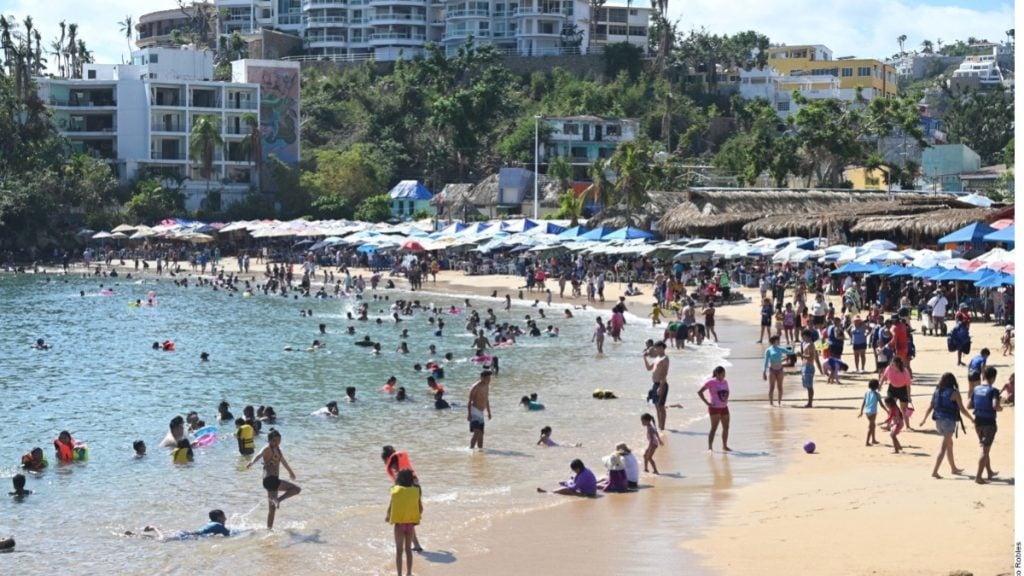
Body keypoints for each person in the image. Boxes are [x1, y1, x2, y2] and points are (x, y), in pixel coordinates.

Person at [918, 373, 974, 479]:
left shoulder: (937, 391)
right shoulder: (954, 393)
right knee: (943, 447)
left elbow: (930, 407)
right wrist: (971, 419)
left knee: (949, 444)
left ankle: (953, 468)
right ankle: (935, 471)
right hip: (948, 421)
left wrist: (924, 420)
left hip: (938, 421)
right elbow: (962, 409)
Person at [246, 429, 301, 529]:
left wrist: (291, 472)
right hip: (270, 479)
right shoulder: (267, 449)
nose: (277, 442)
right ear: (269, 440)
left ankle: (269, 529)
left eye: (279, 440)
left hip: (273, 481)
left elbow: (284, 462)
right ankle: (277, 501)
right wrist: (252, 462)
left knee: (272, 509)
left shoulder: (278, 450)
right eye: (274, 440)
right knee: (296, 489)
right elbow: (259, 455)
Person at [386, 468, 423, 576]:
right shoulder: (416, 491)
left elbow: (391, 506)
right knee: (408, 550)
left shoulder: (395, 491)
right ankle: (409, 573)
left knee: (399, 552)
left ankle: (399, 575)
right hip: (410, 525)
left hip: (399, 526)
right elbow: (420, 509)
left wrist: (388, 516)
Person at [968, 367, 1002, 484]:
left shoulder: (976, 389)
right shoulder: (994, 391)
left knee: (985, 447)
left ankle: (989, 472)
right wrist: (1000, 408)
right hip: (989, 422)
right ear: (993, 378)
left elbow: (969, 405)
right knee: (985, 450)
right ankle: (978, 477)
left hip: (978, 422)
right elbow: (995, 406)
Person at [126, 510, 232, 540]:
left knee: (156, 539)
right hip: (188, 535)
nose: (226, 518)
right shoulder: (219, 525)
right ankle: (154, 527)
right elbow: (229, 535)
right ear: (219, 518)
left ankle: (134, 535)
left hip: (186, 533)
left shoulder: (212, 523)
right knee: (162, 540)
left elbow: (210, 533)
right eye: (224, 516)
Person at [698, 366, 732, 452]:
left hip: (724, 407)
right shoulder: (711, 382)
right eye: (722, 374)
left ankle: (724, 446)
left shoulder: (725, 382)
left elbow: (728, 391)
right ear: (717, 374)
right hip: (714, 408)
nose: (724, 376)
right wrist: (707, 403)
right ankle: (710, 447)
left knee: (726, 427)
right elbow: (700, 392)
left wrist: (726, 399)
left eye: (725, 374)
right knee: (714, 428)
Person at [879, 356, 913, 431]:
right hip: (892, 389)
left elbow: (908, 385)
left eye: (893, 363)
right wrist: (880, 385)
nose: (891, 364)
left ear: (897, 364)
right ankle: (889, 425)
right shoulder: (889, 368)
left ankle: (908, 426)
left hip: (903, 389)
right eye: (891, 363)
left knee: (904, 409)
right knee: (891, 407)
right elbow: (884, 377)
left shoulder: (905, 371)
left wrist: (909, 396)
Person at [643, 341, 670, 431]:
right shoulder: (657, 358)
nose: (655, 349)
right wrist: (644, 358)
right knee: (656, 406)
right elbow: (648, 368)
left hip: (661, 384)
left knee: (661, 406)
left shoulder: (665, 358)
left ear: (662, 348)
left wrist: (661, 387)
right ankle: (659, 426)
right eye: (655, 348)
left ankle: (662, 427)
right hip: (655, 384)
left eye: (657, 348)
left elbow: (664, 373)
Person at [467, 370, 492, 449]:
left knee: (481, 433)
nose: (489, 380)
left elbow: (486, 400)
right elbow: (469, 400)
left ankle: (480, 451)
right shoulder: (475, 387)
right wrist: (469, 414)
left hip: (481, 412)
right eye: (487, 378)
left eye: (490, 379)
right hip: (474, 410)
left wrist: (489, 412)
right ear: (482, 378)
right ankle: (470, 450)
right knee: (477, 432)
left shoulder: (486, 386)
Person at [857, 379, 883, 446]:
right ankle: (867, 442)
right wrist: (887, 410)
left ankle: (873, 439)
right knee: (871, 426)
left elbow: (864, 402)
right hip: (873, 411)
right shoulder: (877, 394)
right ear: (877, 386)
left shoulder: (867, 393)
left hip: (867, 411)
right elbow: (881, 404)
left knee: (873, 425)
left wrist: (861, 411)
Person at [762, 335, 787, 407]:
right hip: (772, 370)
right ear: (774, 341)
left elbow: (790, 351)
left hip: (780, 370)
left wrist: (792, 346)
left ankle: (779, 402)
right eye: (777, 340)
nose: (779, 341)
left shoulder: (781, 349)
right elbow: (766, 361)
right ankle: (771, 403)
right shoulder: (768, 350)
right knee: (771, 387)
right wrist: (764, 372)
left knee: (780, 387)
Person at [799, 329, 818, 408]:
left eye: (802, 336)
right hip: (805, 365)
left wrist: (801, 355)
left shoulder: (810, 344)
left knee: (809, 386)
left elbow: (811, 356)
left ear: (805, 336)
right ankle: (809, 402)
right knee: (806, 385)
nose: (802, 338)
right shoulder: (805, 343)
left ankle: (810, 403)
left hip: (809, 366)